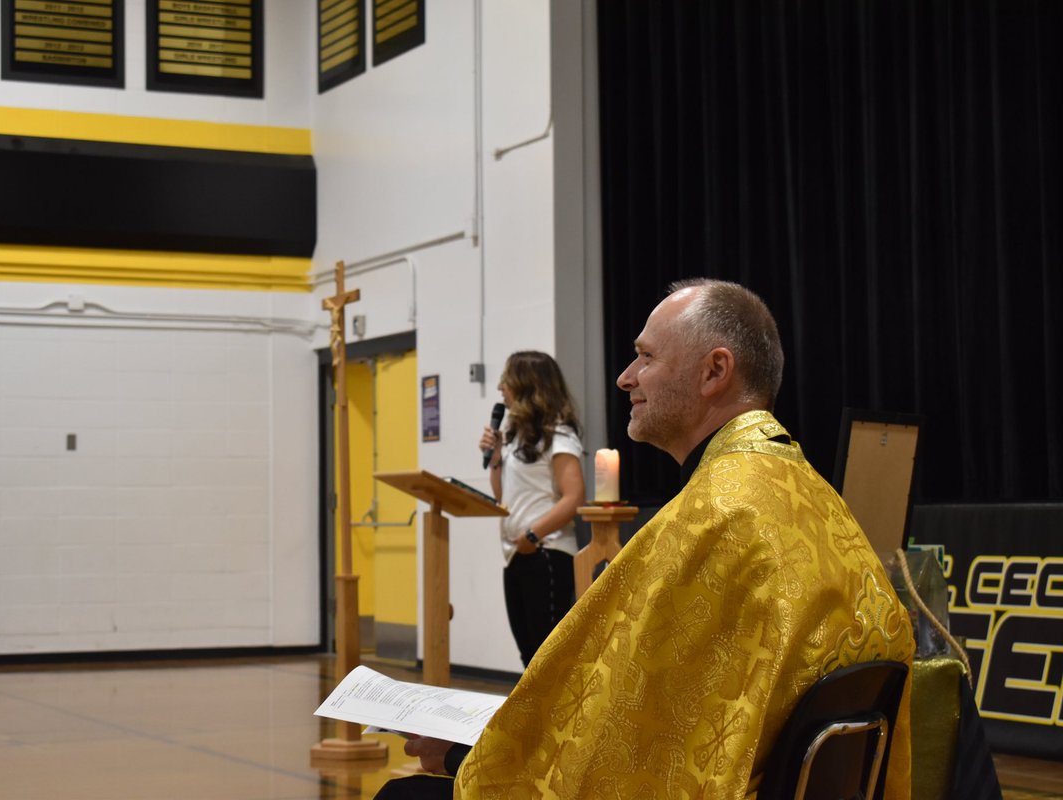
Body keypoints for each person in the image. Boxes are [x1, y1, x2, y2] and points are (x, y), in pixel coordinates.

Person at [376, 279, 914, 799]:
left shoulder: (713, 517)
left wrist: (467, 756)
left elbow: (625, 752)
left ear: (715, 371)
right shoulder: (810, 492)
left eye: (646, 357)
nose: (625, 378)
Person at [480, 351, 585, 668]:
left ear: (527, 385)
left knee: (547, 657)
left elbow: (574, 496)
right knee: (529, 654)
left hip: (546, 552)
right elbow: (501, 495)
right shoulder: (515, 438)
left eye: (506, 380)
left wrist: (531, 535)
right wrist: (496, 454)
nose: (500, 387)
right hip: (516, 553)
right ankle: (535, 718)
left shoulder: (559, 434)